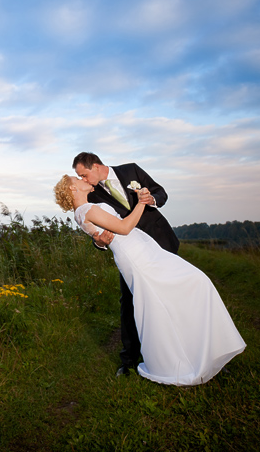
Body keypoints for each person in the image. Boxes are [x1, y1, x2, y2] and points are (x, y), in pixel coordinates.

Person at [53, 174, 245, 385]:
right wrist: (142, 203)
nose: (82, 179)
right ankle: (178, 361)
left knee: (184, 291)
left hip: (142, 251)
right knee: (192, 285)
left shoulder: (83, 211)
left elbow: (100, 234)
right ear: (72, 189)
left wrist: (99, 239)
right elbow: (124, 228)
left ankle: (199, 352)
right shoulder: (87, 210)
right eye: (77, 178)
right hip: (137, 257)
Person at [73, 152, 179, 377]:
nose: (83, 180)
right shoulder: (90, 195)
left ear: (96, 166)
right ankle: (129, 359)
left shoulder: (131, 170)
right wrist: (98, 242)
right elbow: (96, 228)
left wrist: (152, 199)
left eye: (83, 174)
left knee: (174, 294)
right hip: (132, 254)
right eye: (79, 177)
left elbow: (160, 191)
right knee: (129, 301)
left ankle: (187, 347)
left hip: (161, 241)